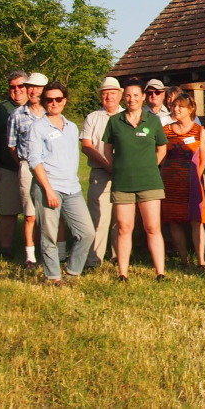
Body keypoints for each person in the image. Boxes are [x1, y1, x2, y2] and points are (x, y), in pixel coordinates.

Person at [26, 82, 95, 286]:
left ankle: (73, 272)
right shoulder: (38, 127)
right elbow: (34, 160)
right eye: (49, 99)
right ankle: (53, 276)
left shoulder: (72, 127)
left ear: (64, 101)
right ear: (44, 101)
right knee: (49, 234)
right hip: (48, 187)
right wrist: (48, 190)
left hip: (72, 188)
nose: (54, 103)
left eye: (58, 99)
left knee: (87, 232)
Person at [103, 80, 169, 281]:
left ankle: (160, 272)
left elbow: (162, 148)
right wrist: (120, 168)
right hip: (123, 183)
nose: (132, 99)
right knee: (124, 227)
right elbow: (108, 150)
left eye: (136, 95)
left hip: (149, 182)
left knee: (153, 227)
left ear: (142, 98)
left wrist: (149, 166)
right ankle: (123, 273)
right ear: (125, 97)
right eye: (128, 96)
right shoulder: (115, 121)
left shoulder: (153, 121)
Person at [159, 91, 205, 269]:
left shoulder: (200, 131)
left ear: (190, 109)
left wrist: (194, 179)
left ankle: (201, 261)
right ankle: (183, 260)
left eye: (180, 106)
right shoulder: (166, 130)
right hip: (170, 182)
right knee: (174, 221)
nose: (176, 109)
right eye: (174, 105)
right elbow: (162, 156)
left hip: (192, 182)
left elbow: (204, 158)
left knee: (196, 221)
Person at [0, 70, 29, 260]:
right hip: (6, 167)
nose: (17, 90)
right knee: (8, 211)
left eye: (21, 86)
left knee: (32, 212)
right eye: (13, 87)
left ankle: (34, 250)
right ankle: (6, 250)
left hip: (32, 168)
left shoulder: (39, 108)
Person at [8, 71, 50, 268]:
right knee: (30, 214)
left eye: (38, 88)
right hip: (27, 167)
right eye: (30, 87)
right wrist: (24, 165)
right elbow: (12, 146)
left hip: (50, 168)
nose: (34, 91)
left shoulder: (52, 113)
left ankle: (53, 252)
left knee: (51, 212)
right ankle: (30, 256)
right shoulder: (17, 115)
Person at [80, 77, 123, 269]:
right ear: (100, 96)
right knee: (98, 217)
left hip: (124, 173)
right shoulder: (92, 117)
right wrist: (107, 165)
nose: (109, 97)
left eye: (113, 93)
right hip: (100, 172)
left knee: (120, 218)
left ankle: (118, 257)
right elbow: (87, 145)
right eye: (105, 93)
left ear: (120, 95)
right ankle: (93, 260)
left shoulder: (127, 115)